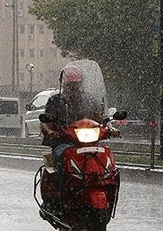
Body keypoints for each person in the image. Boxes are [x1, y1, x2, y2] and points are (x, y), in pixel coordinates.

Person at [41, 64, 118, 194]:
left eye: (76, 84)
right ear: (63, 84)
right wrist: (51, 132)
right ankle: (63, 190)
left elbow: (101, 118)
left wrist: (110, 127)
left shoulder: (90, 100)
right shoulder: (55, 101)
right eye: (71, 85)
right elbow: (47, 122)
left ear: (81, 83)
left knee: (105, 155)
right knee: (61, 155)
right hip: (64, 142)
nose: (74, 88)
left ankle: (108, 187)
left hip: (90, 143)